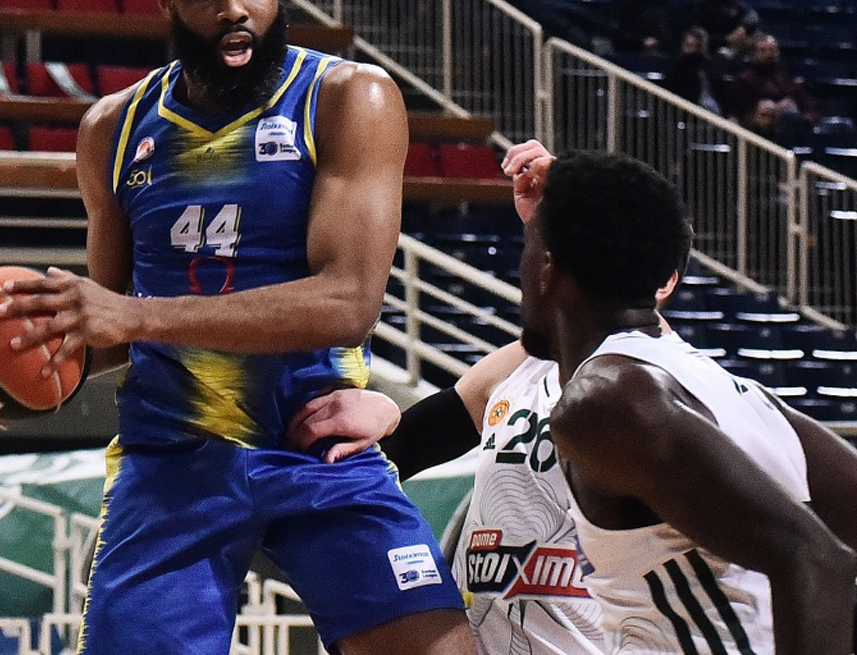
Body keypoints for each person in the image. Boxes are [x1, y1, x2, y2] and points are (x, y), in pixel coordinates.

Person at [0, 0, 477, 655]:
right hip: (171, 461)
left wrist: (137, 317)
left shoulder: (349, 97)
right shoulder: (112, 129)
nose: (233, 9)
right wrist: (12, 363)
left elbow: (347, 302)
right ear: (166, 1)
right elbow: (109, 331)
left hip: (319, 446)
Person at [518, 150, 857, 653]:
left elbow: (817, 560)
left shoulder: (606, 400)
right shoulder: (730, 391)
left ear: (547, 269)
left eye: (528, 248)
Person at [288, 140, 678, 655]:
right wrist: (385, 415)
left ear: (664, 281)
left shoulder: (681, 389)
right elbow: (405, 448)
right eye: (553, 251)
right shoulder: (523, 362)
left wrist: (592, 204)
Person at [731, 33, 820, 147]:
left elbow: (811, 110)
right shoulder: (743, 81)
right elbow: (740, 114)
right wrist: (771, 110)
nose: (768, 54)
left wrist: (797, 112)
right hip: (757, 135)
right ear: (753, 54)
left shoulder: (787, 80)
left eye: (772, 50)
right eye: (763, 50)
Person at [686, 0, 761, 63]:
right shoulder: (699, 3)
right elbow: (697, 34)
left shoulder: (732, 0)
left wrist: (743, 27)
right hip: (710, 49)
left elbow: (752, 15)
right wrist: (727, 39)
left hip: (734, 45)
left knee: (758, 36)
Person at [661, 27, 728, 116]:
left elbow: (722, 94)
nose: (693, 50)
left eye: (697, 47)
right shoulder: (675, 69)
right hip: (690, 114)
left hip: (716, 113)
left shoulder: (712, 68)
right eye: (689, 46)